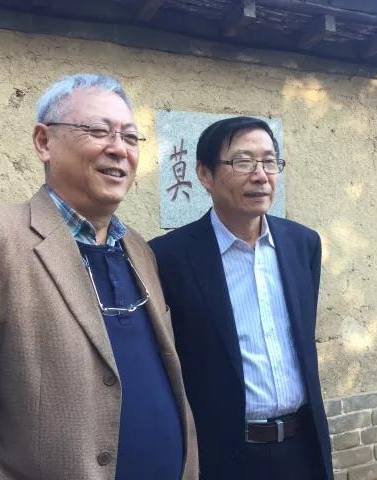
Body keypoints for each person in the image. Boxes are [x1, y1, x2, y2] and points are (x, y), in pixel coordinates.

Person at [0, 73, 198, 480]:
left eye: (129, 137)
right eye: (98, 131)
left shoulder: (139, 250)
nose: (119, 149)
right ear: (43, 141)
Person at [150, 116, 333, 479]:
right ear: (205, 174)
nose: (260, 175)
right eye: (243, 162)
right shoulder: (168, 257)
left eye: (269, 162)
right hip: (223, 455)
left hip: (302, 449)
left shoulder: (303, 244)